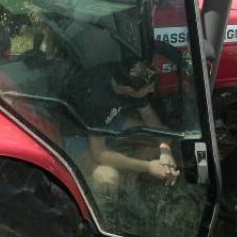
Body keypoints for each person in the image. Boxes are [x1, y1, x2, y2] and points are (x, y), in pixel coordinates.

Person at [68, 58, 180, 195]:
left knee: (165, 134)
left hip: (110, 122)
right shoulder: (96, 98)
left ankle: (130, 177)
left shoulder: (131, 75)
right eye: (149, 88)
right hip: (76, 135)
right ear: (128, 89)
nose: (152, 90)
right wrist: (148, 167)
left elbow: (149, 117)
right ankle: (109, 205)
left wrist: (165, 151)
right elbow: (99, 154)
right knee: (109, 179)